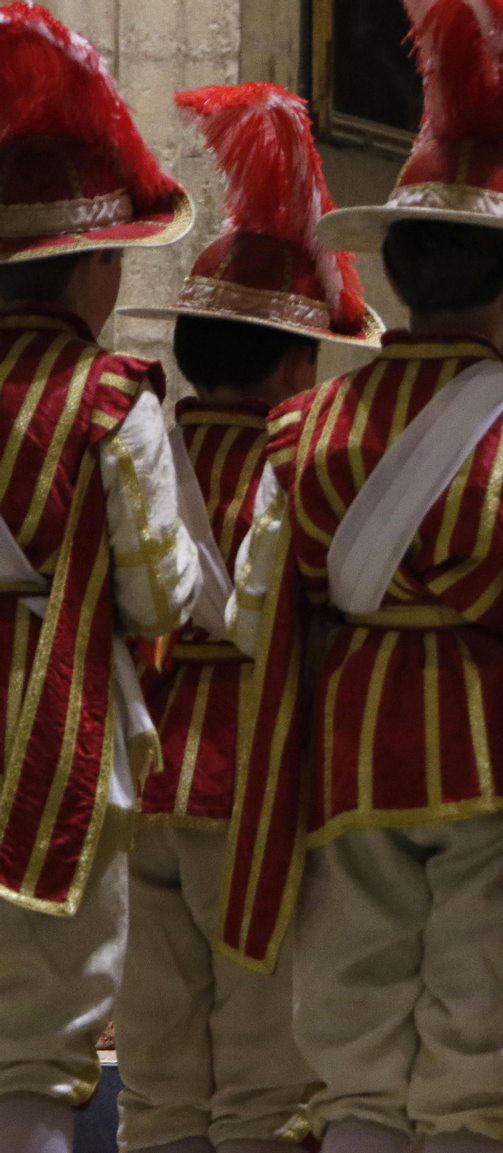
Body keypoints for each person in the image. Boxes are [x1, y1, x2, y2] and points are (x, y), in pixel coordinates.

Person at [218, 3, 503, 1150]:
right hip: (497, 763)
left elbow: (256, 612)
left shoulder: (301, 427)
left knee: (357, 1065)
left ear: (398, 273)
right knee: (477, 1066)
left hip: (342, 763)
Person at [110, 82, 384, 1153]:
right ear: (287, 362)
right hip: (261, 787)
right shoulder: (313, 458)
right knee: (268, 1093)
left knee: (161, 1087)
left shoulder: (139, 443)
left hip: (140, 789)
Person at [0, 7, 201, 1151]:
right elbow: (160, 596)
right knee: (38, 1042)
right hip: (52, 747)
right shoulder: (111, 401)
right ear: (89, 272)